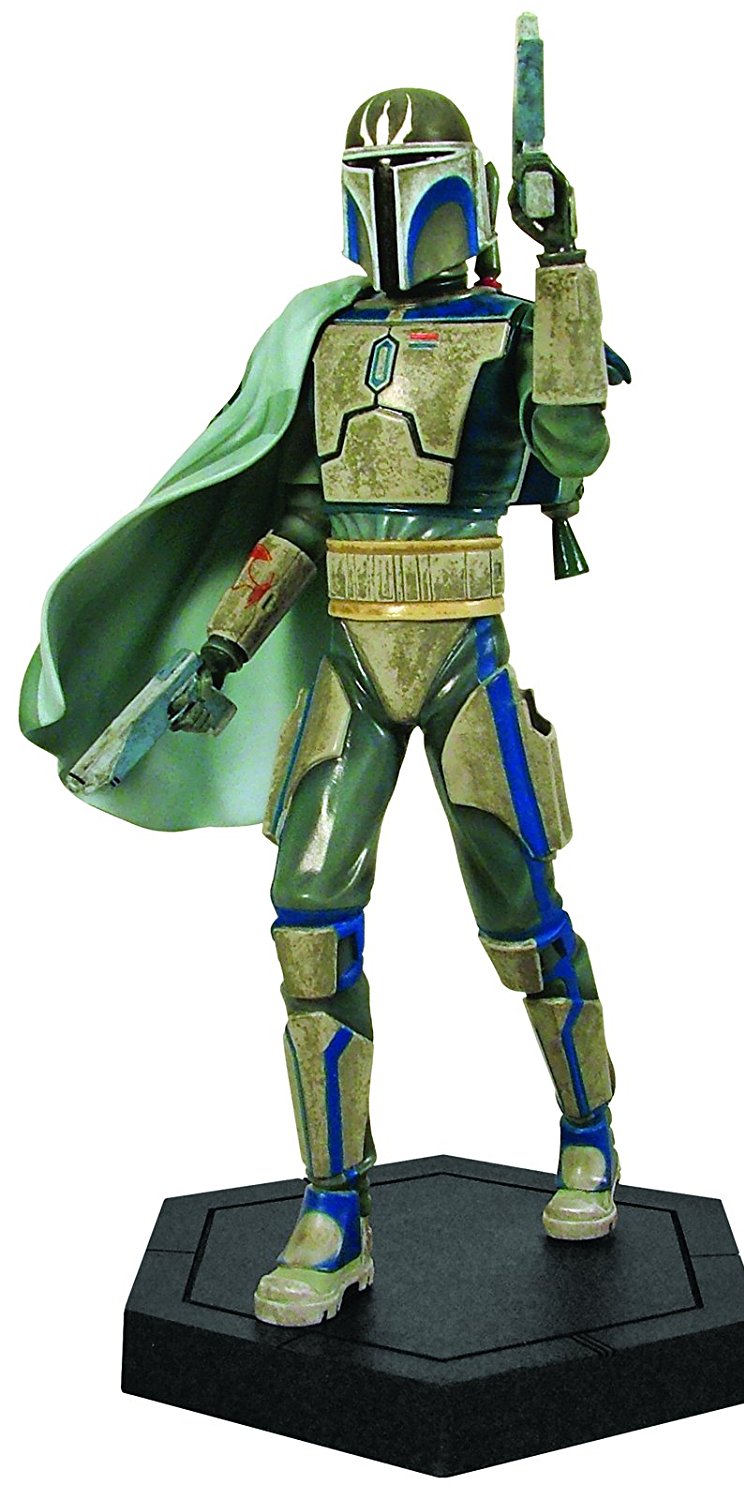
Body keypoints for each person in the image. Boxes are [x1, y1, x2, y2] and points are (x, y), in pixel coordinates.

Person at [20, 86, 628, 1329]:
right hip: (350, 658)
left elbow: (573, 446)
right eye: (371, 176)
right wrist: (224, 646)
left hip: (462, 656)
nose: (390, 198)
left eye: (412, 174)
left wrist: (564, 267)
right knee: (306, 923)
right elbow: (302, 514)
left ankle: (587, 1134)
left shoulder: (512, 325)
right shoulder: (328, 333)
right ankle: (333, 1207)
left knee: (520, 919)